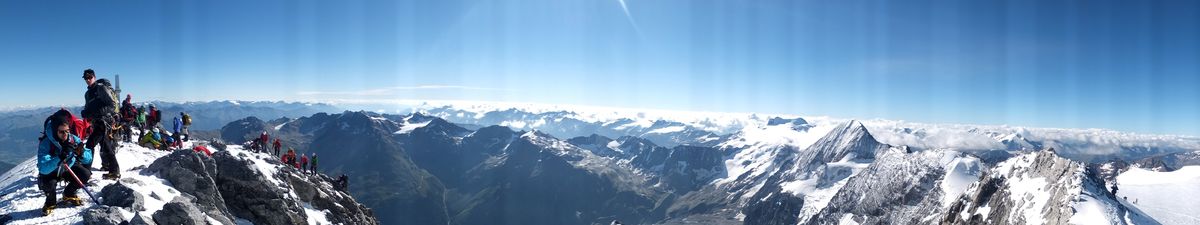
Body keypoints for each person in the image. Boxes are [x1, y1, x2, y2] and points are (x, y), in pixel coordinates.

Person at [37, 109, 94, 216]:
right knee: (49, 184)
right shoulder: (46, 143)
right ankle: (50, 202)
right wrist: (59, 157)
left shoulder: (73, 139)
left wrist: (81, 153)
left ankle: (68, 193)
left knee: (85, 174)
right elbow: (43, 168)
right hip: (51, 172)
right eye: (61, 132)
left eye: (67, 131)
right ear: (55, 131)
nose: (65, 134)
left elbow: (88, 158)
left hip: (68, 167)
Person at [80, 69, 120, 179]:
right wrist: (85, 113)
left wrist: (98, 112)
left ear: (94, 77)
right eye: (86, 78)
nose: (88, 80)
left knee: (89, 145)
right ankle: (114, 171)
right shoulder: (88, 94)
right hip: (96, 123)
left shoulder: (101, 88)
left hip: (104, 122)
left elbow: (112, 105)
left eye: (90, 77)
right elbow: (89, 108)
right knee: (106, 147)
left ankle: (85, 172)